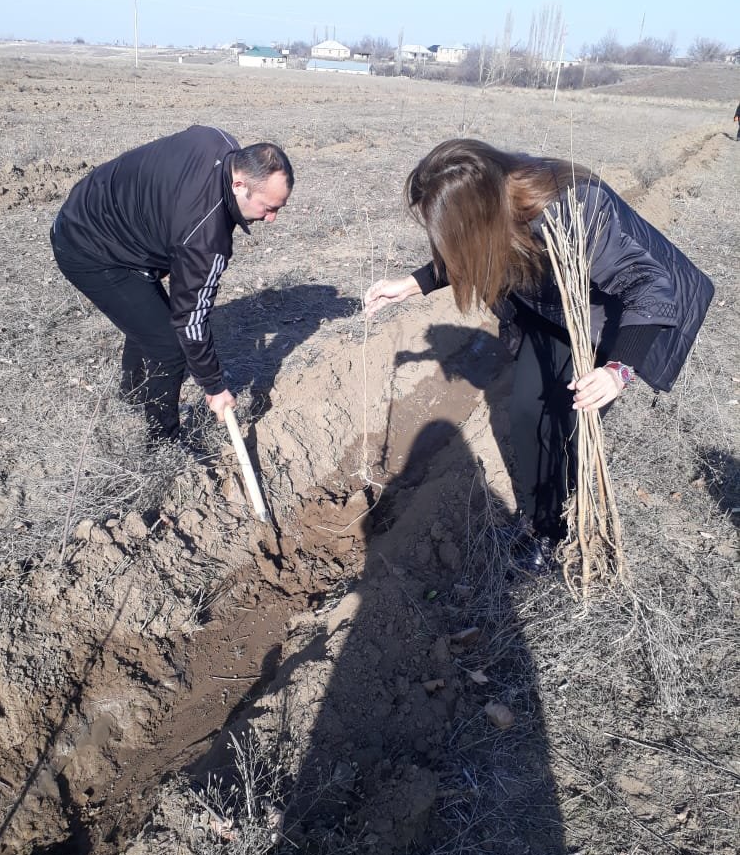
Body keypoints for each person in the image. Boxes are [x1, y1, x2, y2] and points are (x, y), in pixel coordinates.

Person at [365, 139, 714, 571]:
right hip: (553, 309)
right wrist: (413, 284)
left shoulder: (572, 209)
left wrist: (617, 370)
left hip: (607, 313)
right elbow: (467, 247)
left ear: (484, 210)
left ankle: (560, 526)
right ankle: (541, 521)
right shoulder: (493, 207)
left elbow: (648, 284)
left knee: (563, 421)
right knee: (528, 411)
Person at [51, 125, 293, 445]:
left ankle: (134, 392)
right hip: (89, 248)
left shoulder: (217, 140)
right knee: (169, 346)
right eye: (269, 207)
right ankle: (162, 442)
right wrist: (214, 387)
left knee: (150, 317)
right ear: (239, 183)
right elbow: (189, 319)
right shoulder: (206, 238)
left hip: (95, 211)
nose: (272, 218)